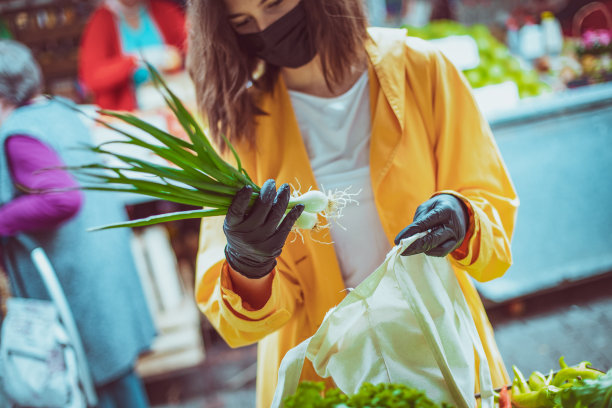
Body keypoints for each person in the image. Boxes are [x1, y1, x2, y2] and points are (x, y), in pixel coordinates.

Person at [189, 1, 519, 407]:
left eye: (274, 5)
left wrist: (463, 217)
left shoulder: (423, 70)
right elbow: (234, 317)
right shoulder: (238, 124)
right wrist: (247, 264)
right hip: (325, 376)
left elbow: (492, 208)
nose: (266, 29)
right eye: (243, 23)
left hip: (445, 350)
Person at [0, 39, 155, 408]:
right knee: (119, 380)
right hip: (104, 269)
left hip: (76, 286)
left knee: (101, 388)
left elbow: (62, 198)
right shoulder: (62, 110)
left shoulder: (20, 132)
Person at [79, 0, 187, 111]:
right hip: (130, 113)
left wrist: (175, 56)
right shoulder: (102, 19)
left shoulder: (163, 10)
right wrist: (134, 61)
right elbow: (92, 78)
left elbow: (191, 45)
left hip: (171, 103)